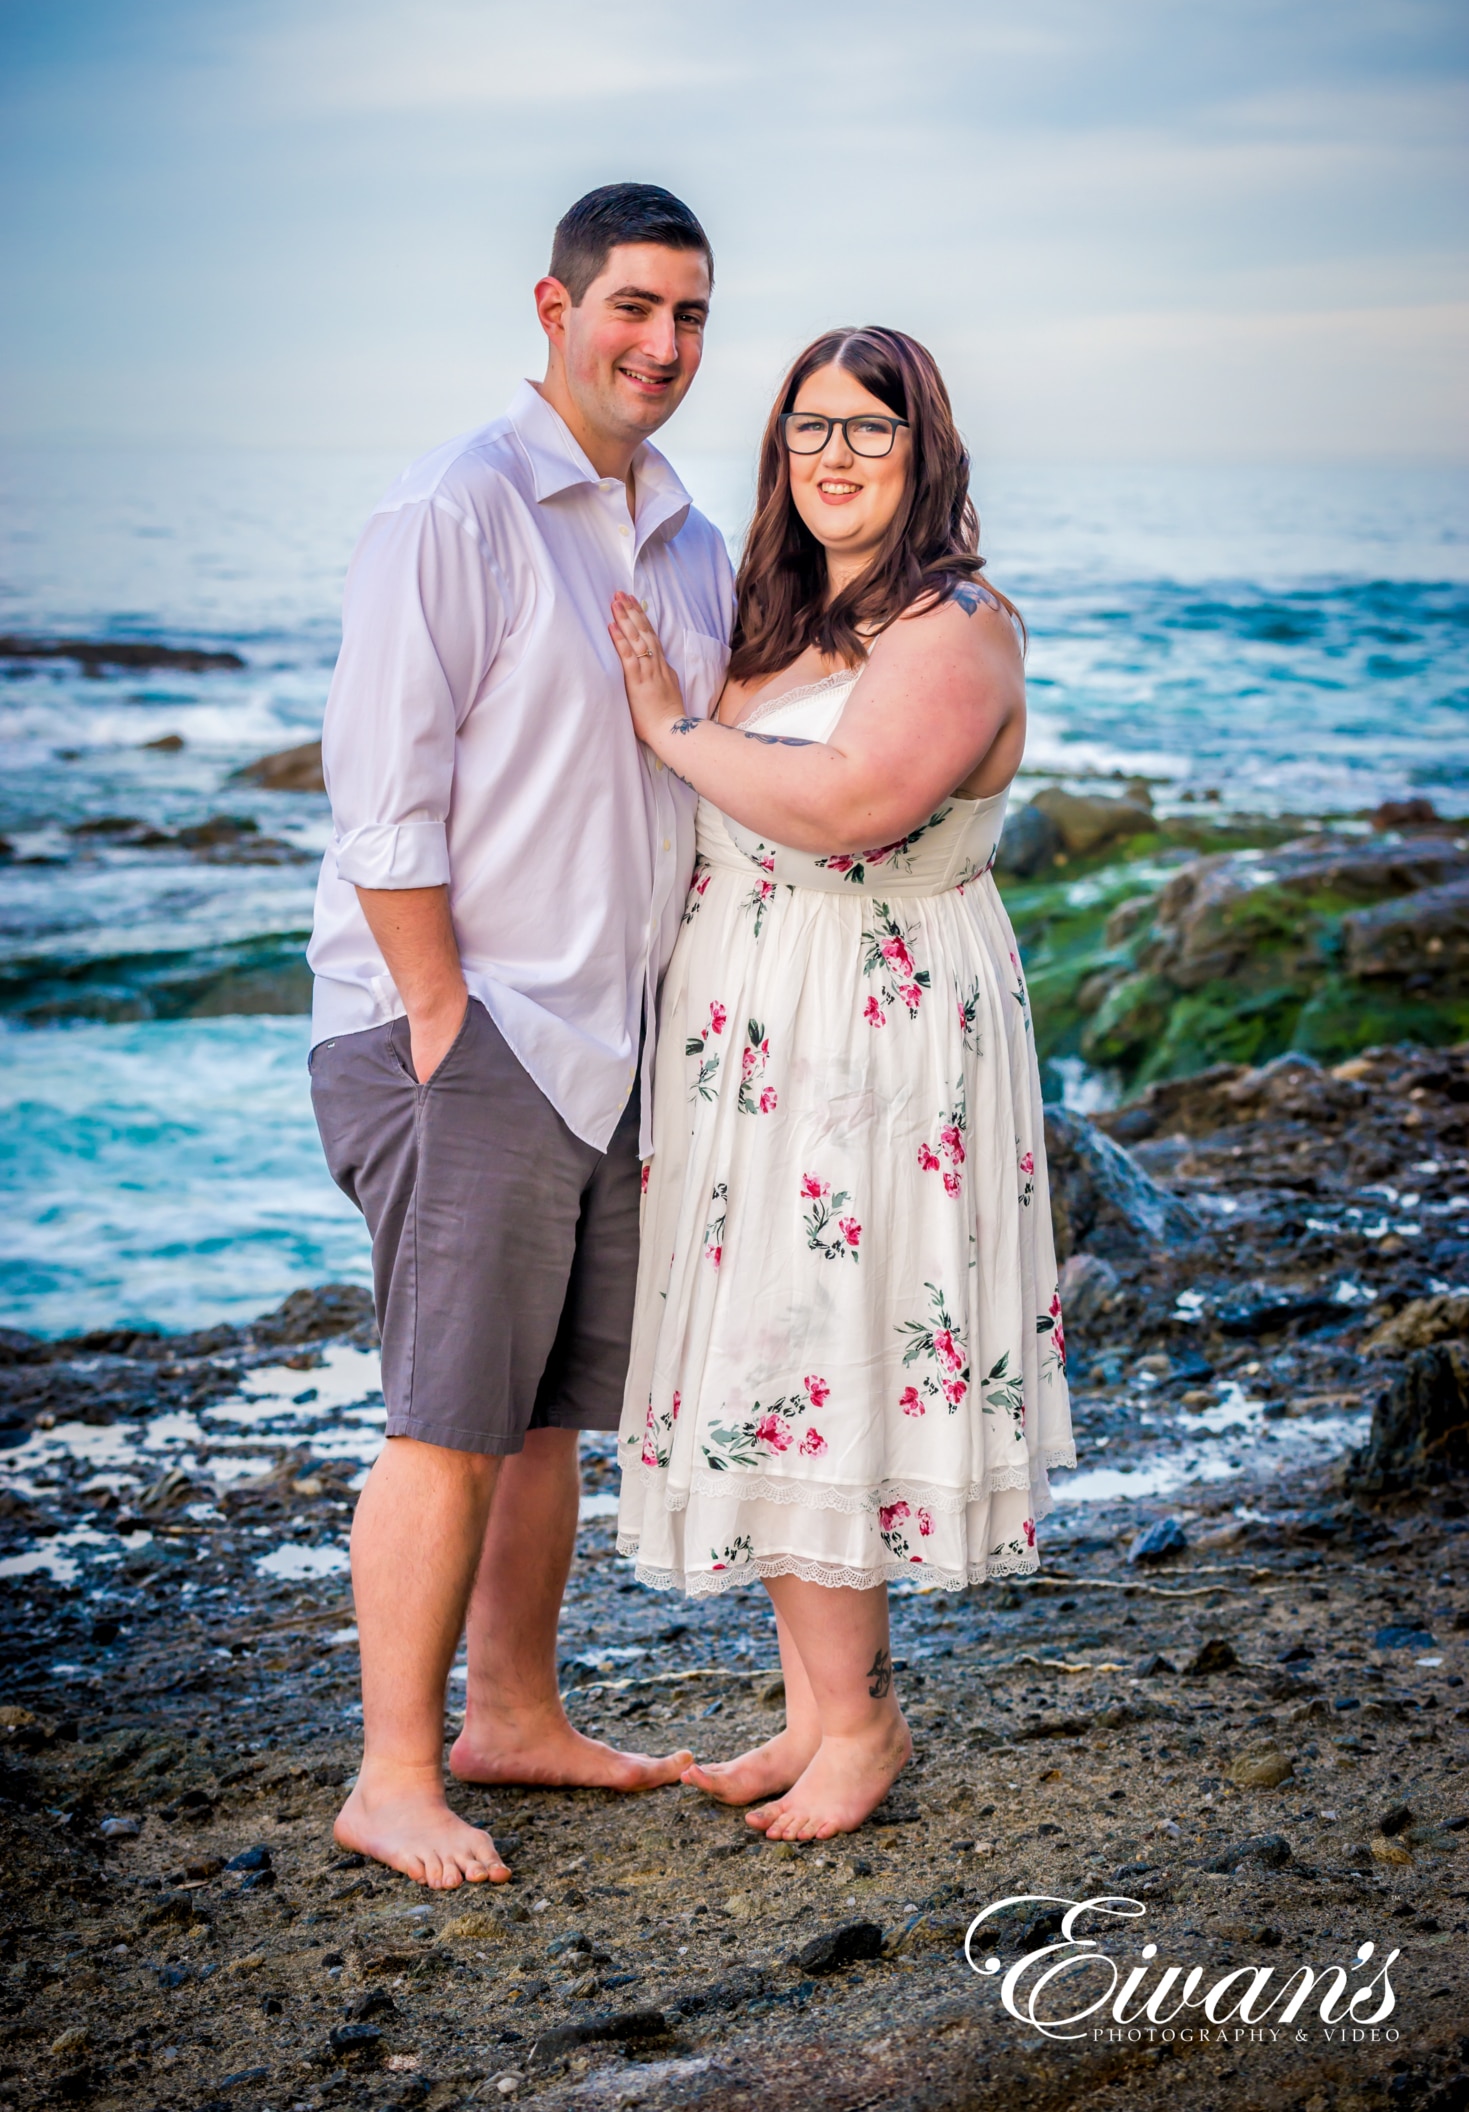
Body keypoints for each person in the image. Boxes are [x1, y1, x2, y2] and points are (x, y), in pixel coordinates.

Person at [306, 183, 734, 1888]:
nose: (664, 346)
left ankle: (517, 1720)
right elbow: (383, 805)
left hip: (607, 1050)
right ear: (551, 309)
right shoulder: (455, 510)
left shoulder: (687, 539)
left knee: (547, 1413)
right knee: (443, 1418)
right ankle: (392, 1774)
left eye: (692, 316)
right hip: (465, 1028)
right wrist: (436, 1022)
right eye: (634, 306)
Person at [609, 325, 1076, 1843]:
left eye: (868, 433)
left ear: (924, 450)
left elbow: (855, 802)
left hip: (871, 1030)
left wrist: (671, 732)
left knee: (822, 1346)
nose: (832, 458)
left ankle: (860, 1724)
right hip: (757, 1022)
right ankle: (817, 1712)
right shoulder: (788, 611)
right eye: (808, 429)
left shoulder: (953, 627)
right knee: (774, 1353)